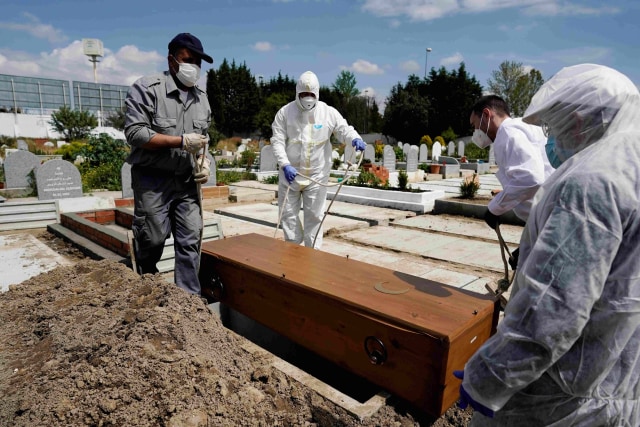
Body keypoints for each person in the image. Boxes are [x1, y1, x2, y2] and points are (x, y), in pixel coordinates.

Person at [455, 64, 640, 426]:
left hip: (565, 393)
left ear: (576, 120)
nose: (550, 140)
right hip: (619, 375)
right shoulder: (629, 168)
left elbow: (551, 311)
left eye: (553, 127)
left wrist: (489, 377)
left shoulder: (591, 182)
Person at [124, 33, 213, 295]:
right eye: (188, 60)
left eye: (197, 62)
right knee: (152, 237)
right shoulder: (146, 89)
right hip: (153, 180)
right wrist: (179, 141)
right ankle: (147, 287)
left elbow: (204, 140)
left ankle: (188, 301)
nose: (193, 67)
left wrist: (203, 161)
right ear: (171, 60)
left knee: (190, 238)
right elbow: (136, 133)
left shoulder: (202, 98)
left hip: (185, 181)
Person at [271, 71, 365, 249]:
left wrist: (354, 138)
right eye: (303, 94)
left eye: (311, 94)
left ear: (317, 94)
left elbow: (343, 129)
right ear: (297, 93)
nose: (307, 98)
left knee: (314, 217)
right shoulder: (285, 113)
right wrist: (284, 164)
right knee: (288, 216)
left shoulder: (328, 113)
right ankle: (293, 251)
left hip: (317, 176)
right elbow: (277, 140)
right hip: (290, 175)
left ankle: (313, 256)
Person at [469, 95, 554, 268]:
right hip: (547, 220)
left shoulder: (507, 133)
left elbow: (530, 179)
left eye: (474, 125)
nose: (475, 132)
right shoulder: (523, 128)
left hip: (549, 220)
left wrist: (494, 209)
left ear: (486, 115)